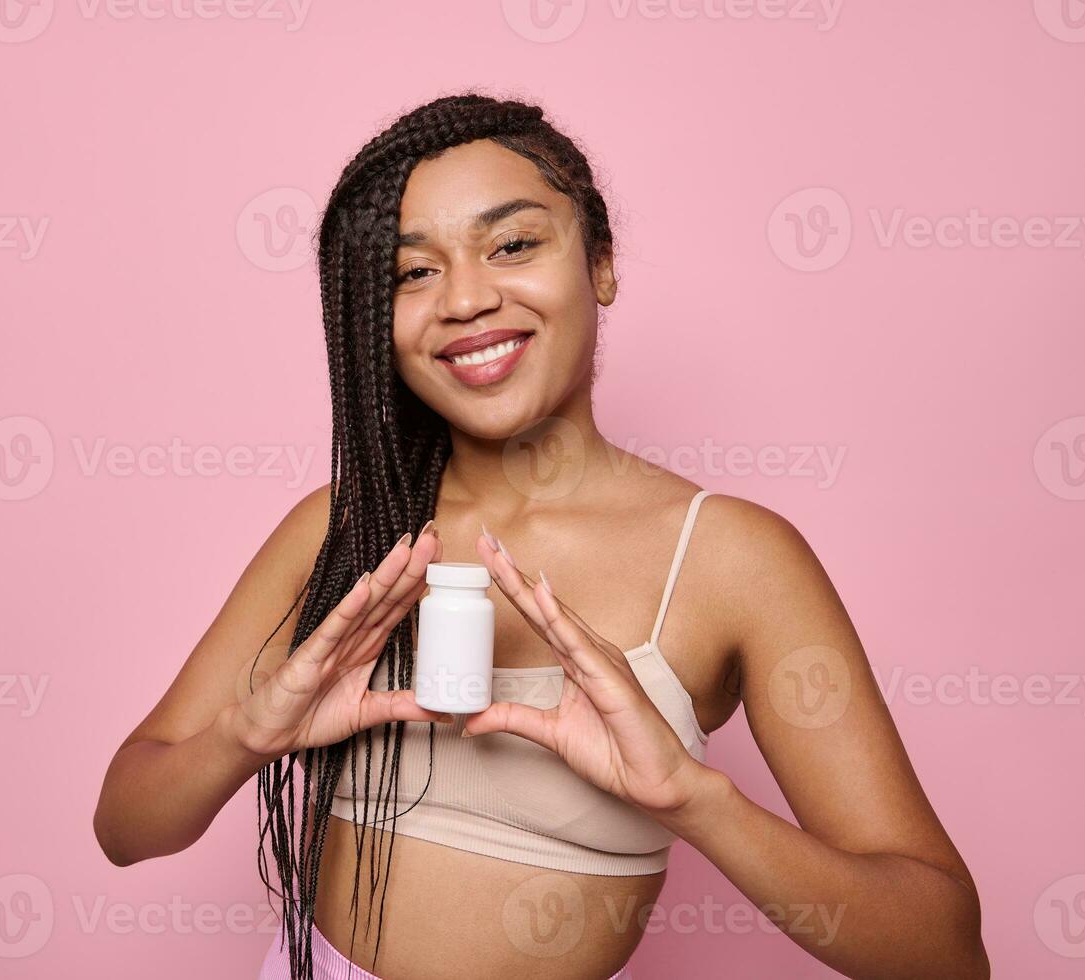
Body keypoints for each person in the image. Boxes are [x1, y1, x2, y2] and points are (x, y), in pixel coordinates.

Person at [93, 91, 988, 980]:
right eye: (412, 273)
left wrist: (694, 800)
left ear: (600, 264)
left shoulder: (733, 561)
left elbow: (943, 953)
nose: (466, 298)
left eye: (513, 245)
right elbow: (126, 829)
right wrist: (249, 735)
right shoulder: (344, 527)